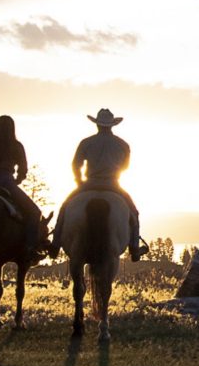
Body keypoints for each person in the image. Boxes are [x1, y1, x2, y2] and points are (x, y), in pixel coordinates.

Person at [62, 107, 147, 260]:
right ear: (112, 125)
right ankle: (134, 248)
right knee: (133, 214)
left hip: (89, 183)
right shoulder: (123, 144)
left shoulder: (86, 142)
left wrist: (79, 181)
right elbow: (125, 167)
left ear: (97, 124)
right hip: (113, 184)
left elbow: (76, 165)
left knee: (65, 208)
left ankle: (55, 244)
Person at [0, 115, 47, 257]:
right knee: (34, 213)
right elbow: (23, 169)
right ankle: (30, 248)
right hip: (6, 181)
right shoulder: (16, 145)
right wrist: (18, 180)